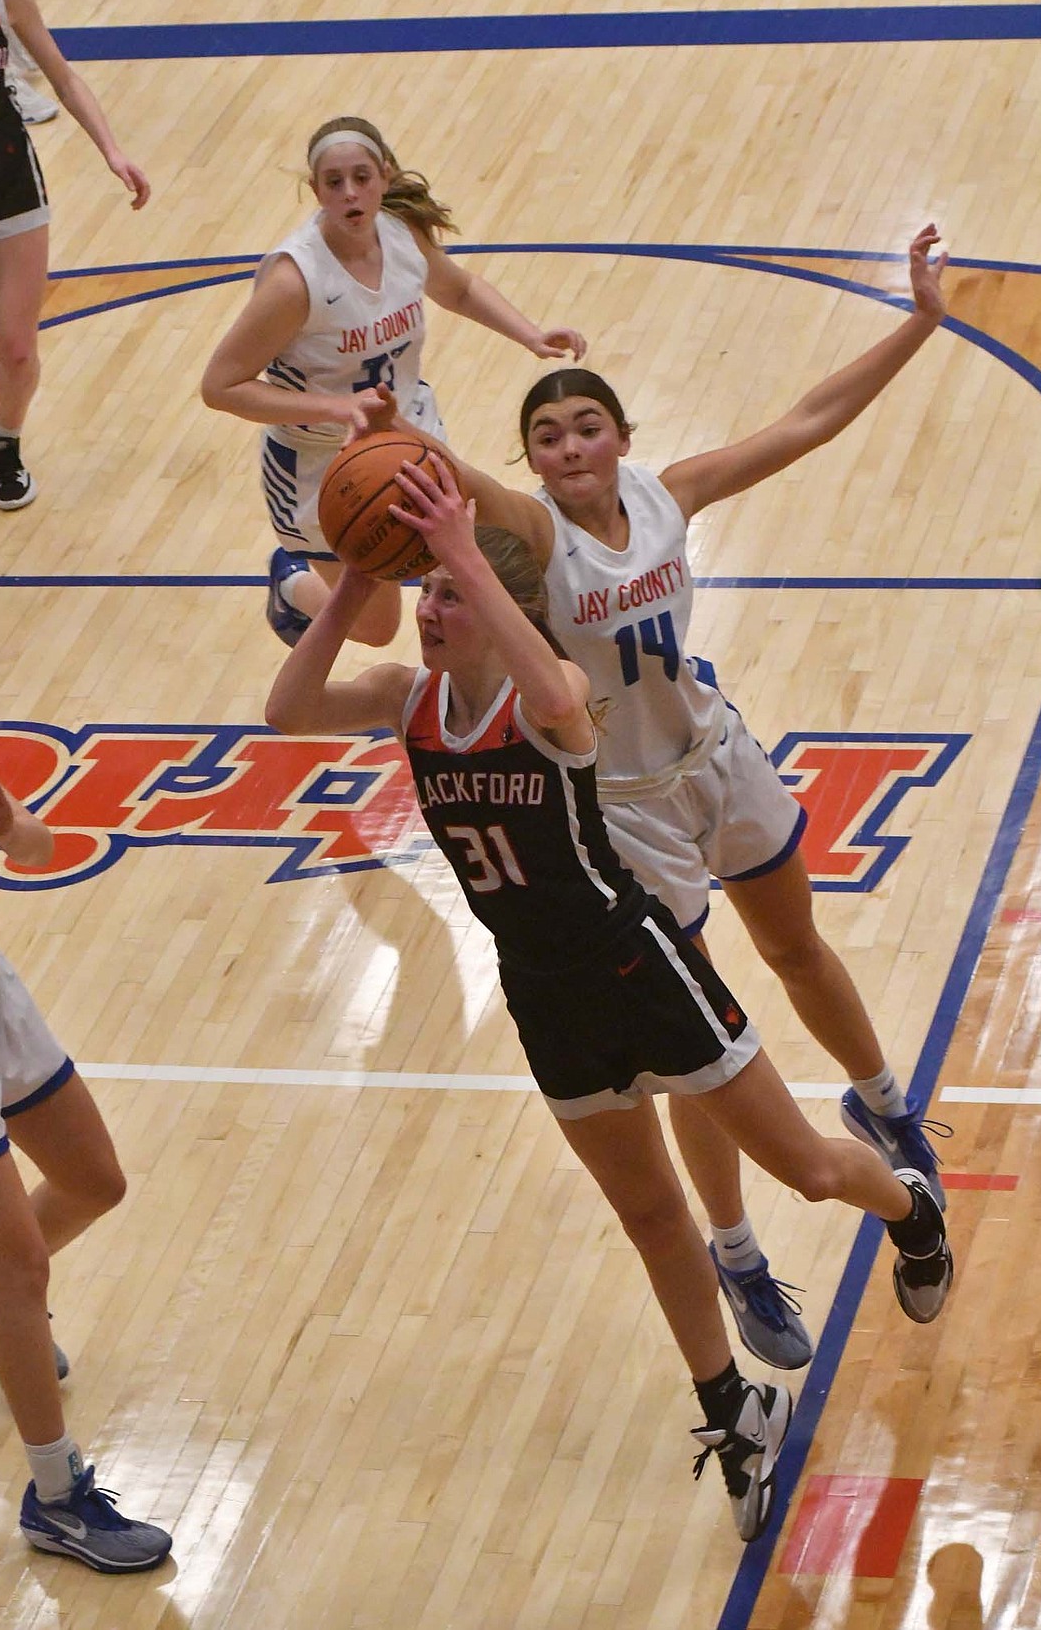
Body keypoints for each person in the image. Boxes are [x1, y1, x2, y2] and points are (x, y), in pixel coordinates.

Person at [264, 458, 953, 1543]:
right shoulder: (409, 702)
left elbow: (548, 690)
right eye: (430, 593)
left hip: (642, 968)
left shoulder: (555, 702)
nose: (431, 613)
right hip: (541, 995)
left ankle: (911, 1212)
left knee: (812, 1171)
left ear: (500, 610)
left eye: (447, 595)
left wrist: (459, 551)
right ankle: (732, 1411)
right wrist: (356, 579)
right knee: (647, 1218)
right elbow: (287, 706)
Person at [367, 226, 954, 1373]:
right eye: (546, 435)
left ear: (621, 437)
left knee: (794, 948)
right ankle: (734, 1251)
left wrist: (918, 322)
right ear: (529, 463)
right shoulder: (530, 533)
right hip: (623, 804)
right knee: (694, 1042)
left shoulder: (668, 495)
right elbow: (452, 482)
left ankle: (882, 1107)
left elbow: (805, 421)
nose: (569, 444)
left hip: (712, 754)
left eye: (586, 425)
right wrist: (389, 430)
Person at [200, 113, 586, 650]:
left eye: (362, 177)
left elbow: (460, 289)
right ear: (315, 191)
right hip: (324, 466)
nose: (351, 194)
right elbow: (220, 386)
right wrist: (339, 410)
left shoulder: (402, 236)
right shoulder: (295, 280)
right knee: (378, 629)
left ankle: (494, 686)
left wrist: (531, 334)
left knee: (479, 564)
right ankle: (292, 584)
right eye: (334, 183)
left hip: (411, 433)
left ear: (383, 175)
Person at [0, 744, 172, 1571]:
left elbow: (42, 850)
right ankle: (56, 1500)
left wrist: (7, 825)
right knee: (24, 1268)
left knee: (95, 1182)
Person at [0, 0, 149, 509]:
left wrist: (112, 151)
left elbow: (64, 76)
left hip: (7, 179)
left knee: (18, 349)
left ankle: (4, 443)